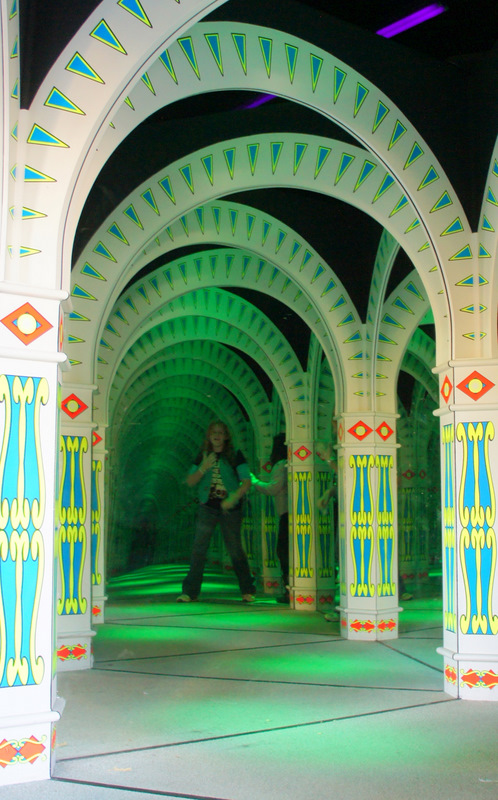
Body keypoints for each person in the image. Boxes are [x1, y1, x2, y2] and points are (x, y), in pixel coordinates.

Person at [178, 420, 256, 603]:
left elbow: (246, 481)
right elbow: (190, 481)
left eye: (221, 432)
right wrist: (203, 467)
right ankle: (190, 591)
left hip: (230, 508)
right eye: (214, 432)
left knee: (235, 548)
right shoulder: (202, 455)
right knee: (199, 548)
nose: (217, 435)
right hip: (207, 506)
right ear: (209, 436)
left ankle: (247, 589)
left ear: (226, 436)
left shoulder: (235, 455)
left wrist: (233, 498)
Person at [251, 433, 289, 603]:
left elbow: (273, 488)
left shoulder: (280, 465)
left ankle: (289, 589)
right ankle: (292, 589)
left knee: (283, 552)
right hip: (296, 514)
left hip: (286, 514)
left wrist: (254, 481)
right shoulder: (289, 463)